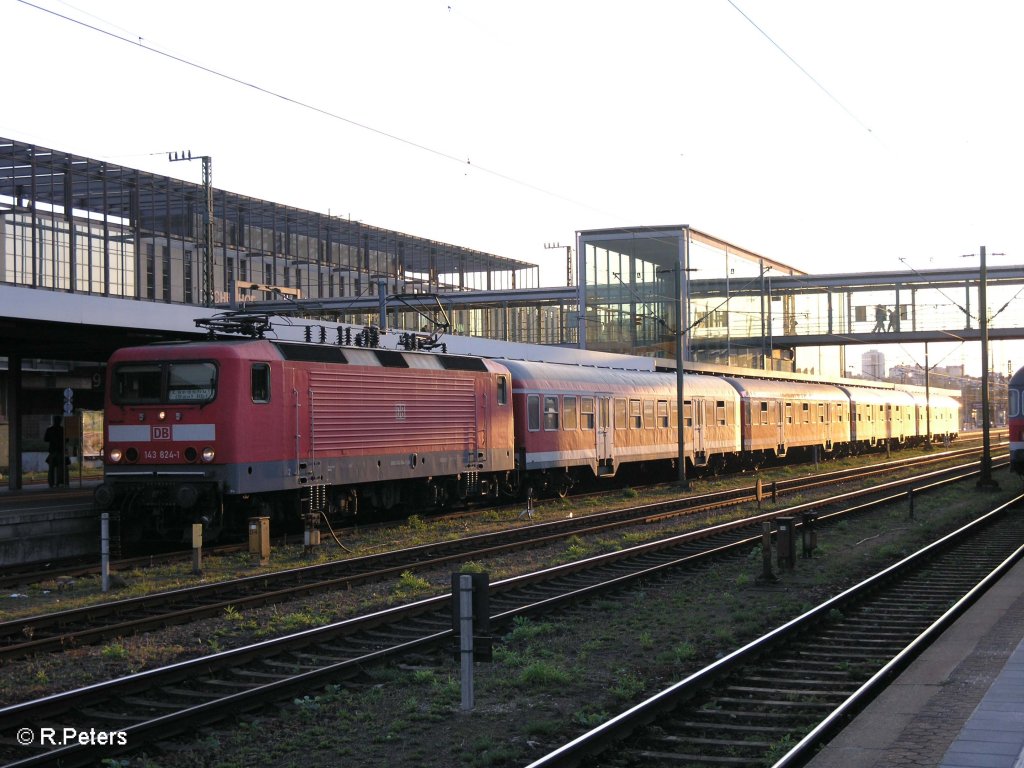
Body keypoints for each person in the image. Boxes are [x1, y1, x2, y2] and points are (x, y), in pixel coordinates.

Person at [44, 415, 64, 487]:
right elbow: (67, 440)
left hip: (52, 451)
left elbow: (45, 439)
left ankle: (51, 483)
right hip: (60, 450)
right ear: (60, 421)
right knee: (60, 468)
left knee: (51, 468)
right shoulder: (62, 430)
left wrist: (52, 439)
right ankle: (59, 482)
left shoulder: (49, 429)